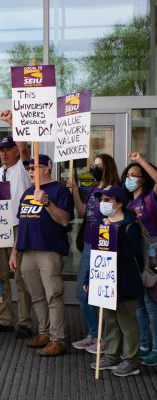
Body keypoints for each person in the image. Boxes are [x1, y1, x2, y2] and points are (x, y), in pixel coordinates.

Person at [10, 154, 74, 356]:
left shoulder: (60, 190)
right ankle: (44, 333)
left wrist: (47, 203)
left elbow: (64, 220)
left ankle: (58, 339)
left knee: (53, 295)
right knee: (37, 296)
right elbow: (22, 224)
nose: (30, 171)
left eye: (34, 167)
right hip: (27, 252)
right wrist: (14, 252)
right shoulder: (28, 192)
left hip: (49, 251)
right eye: (28, 168)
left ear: (47, 168)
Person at [89, 186, 144, 377]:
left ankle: (131, 359)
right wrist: (90, 277)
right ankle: (112, 355)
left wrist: (113, 233)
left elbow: (130, 253)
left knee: (127, 322)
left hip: (126, 282)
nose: (103, 203)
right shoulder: (100, 224)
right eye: (102, 199)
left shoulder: (131, 226)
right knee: (110, 320)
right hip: (106, 283)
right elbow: (96, 254)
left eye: (108, 200)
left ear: (119, 203)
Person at [68, 154, 119, 353]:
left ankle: (102, 337)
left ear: (108, 167)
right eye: (93, 165)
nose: (94, 168)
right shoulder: (93, 189)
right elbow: (81, 212)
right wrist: (74, 191)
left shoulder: (115, 192)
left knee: (96, 293)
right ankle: (95, 334)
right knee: (84, 293)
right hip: (89, 243)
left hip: (104, 245)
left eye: (98, 165)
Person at [0, 136, 33, 338]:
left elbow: (25, 150)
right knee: (0, 276)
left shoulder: (24, 169)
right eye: (1, 149)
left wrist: (14, 122)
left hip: (18, 226)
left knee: (20, 277)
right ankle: (4, 319)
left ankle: (25, 322)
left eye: (8, 148)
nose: (4, 153)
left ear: (16, 150)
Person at [121, 152, 157, 367]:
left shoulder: (150, 200)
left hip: (152, 252)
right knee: (140, 304)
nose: (130, 179)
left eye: (135, 175)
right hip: (134, 254)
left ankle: (155, 349)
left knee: (152, 303)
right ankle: (143, 345)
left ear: (144, 179)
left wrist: (141, 160)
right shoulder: (126, 203)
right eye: (128, 175)